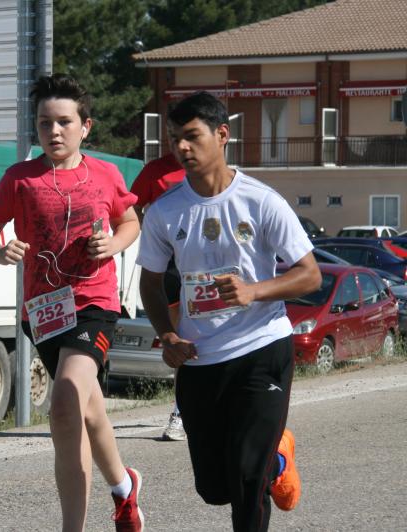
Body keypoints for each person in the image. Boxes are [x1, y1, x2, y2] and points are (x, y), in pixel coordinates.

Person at [138, 91, 321, 531]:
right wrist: (168, 337)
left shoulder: (261, 201)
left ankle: (262, 465)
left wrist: (254, 291)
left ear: (222, 135)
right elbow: (150, 283)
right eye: (175, 138)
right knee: (215, 488)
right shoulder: (165, 212)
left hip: (262, 348)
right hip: (201, 359)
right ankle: (278, 455)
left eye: (192, 136)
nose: (182, 148)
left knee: (245, 481)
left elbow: (310, 275)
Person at [0, 74, 144, 531]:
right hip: (44, 314)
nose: (54, 131)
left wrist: (113, 245)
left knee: (66, 400)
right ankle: (125, 489)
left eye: (64, 122)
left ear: (85, 126)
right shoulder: (20, 179)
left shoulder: (105, 174)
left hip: (95, 302)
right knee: (88, 409)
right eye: (45, 122)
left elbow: (130, 222)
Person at [130, 153, 187, 441]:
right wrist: (151, 231)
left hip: (203, 263)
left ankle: (202, 407)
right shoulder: (155, 171)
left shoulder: (207, 167)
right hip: (170, 265)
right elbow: (130, 207)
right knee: (179, 337)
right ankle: (180, 412)